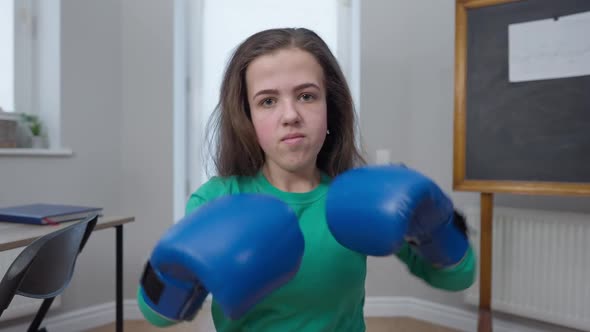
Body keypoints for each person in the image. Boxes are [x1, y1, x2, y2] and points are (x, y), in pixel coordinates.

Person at [137, 27, 476, 331]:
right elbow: (157, 317)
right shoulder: (216, 200)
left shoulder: (358, 199)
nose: (290, 115)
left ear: (331, 107)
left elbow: (458, 276)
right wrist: (177, 275)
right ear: (247, 118)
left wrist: (438, 226)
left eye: (306, 96)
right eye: (268, 101)